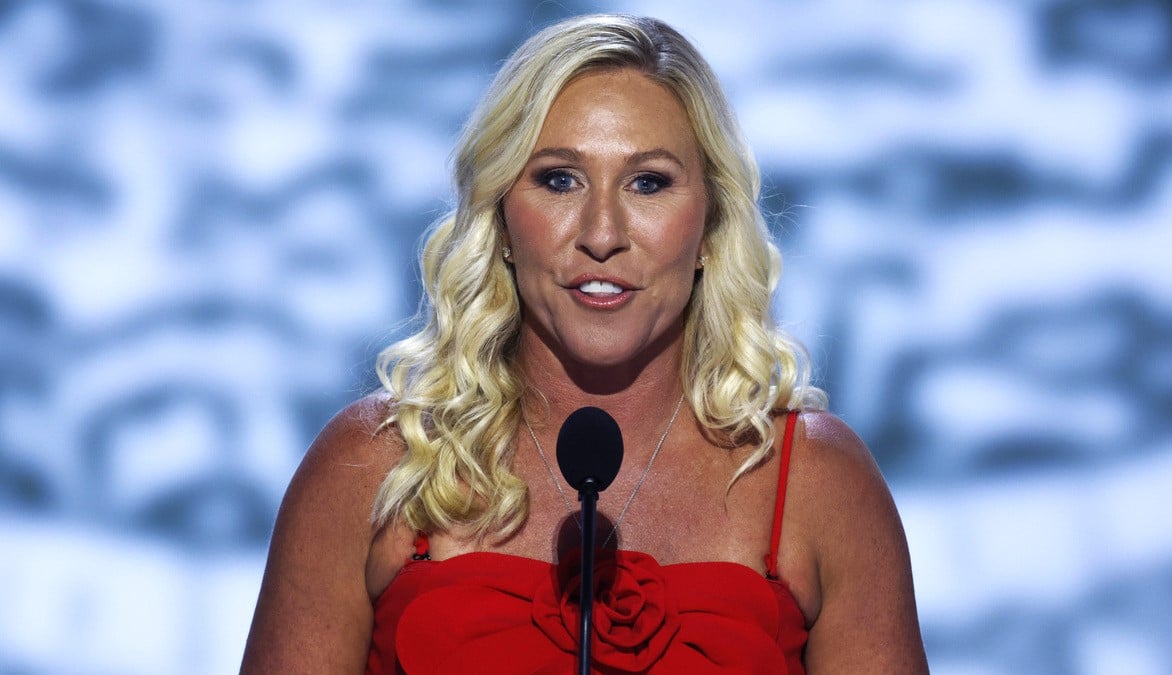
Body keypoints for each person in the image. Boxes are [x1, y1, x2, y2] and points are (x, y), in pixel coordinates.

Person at [241, 13, 927, 675]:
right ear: (502, 219)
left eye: (648, 182)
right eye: (559, 179)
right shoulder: (373, 467)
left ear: (710, 230)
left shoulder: (816, 481)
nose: (602, 232)